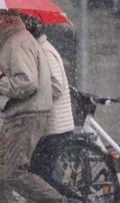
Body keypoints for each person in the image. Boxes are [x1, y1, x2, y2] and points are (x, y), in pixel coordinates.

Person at [0, 9, 68, 203]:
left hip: (25, 117)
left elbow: (27, 83)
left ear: (9, 20)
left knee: (13, 174)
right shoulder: (17, 42)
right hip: (18, 116)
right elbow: (21, 84)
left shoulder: (18, 42)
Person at [20, 14, 79, 200]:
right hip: (50, 128)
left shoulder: (44, 52)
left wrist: (32, 100)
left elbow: (56, 86)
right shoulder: (40, 50)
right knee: (40, 177)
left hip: (54, 128)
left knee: (39, 178)